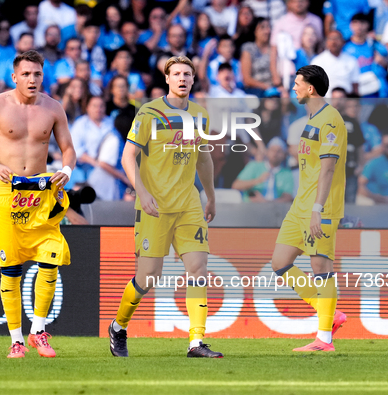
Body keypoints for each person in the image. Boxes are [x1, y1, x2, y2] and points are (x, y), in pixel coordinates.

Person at [108, 56, 223, 358]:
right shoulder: (149, 113)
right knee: (148, 278)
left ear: (193, 79)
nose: (182, 78)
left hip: (188, 205)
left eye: (187, 73)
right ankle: (119, 327)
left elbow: (204, 158)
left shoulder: (200, 115)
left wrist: (210, 195)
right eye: (176, 74)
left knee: (198, 269)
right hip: (154, 206)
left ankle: (196, 342)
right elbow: (127, 157)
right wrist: (142, 193)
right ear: (167, 79)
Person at [0, 50, 76, 359]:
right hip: (7, 192)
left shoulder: (53, 108)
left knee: (51, 258)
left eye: (37, 74)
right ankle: (16, 339)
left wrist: (66, 170)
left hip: (41, 194)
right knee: (10, 269)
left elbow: (68, 149)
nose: (32, 79)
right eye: (26, 74)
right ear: (14, 77)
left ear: (44, 76)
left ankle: (38, 331)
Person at [271, 65, 348, 352]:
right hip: (299, 205)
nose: (294, 88)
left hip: (321, 206)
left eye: (297, 83)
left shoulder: (330, 120)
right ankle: (328, 312)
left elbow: (327, 169)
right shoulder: (311, 118)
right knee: (280, 261)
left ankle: (324, 339)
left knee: (320, 266)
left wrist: (317, 208)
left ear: (311, 88)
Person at [232, 136, 294, 202]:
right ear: (267, 152)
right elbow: (236, 185)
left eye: (279, 151)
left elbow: (287, 197)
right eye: (272, 150)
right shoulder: (254, 166)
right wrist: (257, 180)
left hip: (275, 209)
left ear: (284, 155)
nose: (275, 153)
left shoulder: (287, 173)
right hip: (251, 208)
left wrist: (266, 203)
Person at [311, 30, 360, 96]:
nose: (334, 42)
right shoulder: (317, 61)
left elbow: (355, 86)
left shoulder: (351, 61)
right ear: (326, 42)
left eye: (337, 39)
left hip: (346, 103)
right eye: (331, 39)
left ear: (343, 42)